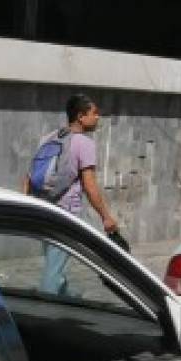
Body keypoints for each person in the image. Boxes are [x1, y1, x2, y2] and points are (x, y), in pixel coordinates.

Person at [26, 94, 119, 294]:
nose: (97, 118)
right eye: (94, 113)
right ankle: (45, 315)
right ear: (80, 116)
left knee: (55, 266)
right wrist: (106, 216)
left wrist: (28, 205)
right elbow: (90, 185)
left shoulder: (49, 137)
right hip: (64, 215)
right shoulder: (84, 144)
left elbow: (29, 175)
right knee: (52, 274)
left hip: (42, 210)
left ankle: (71, 299)